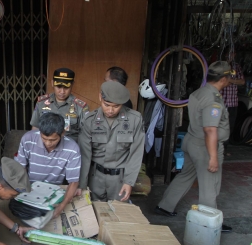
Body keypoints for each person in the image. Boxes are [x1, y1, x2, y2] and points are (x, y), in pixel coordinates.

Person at [156, 62, 232, 231]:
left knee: (185, 176)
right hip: (205, 146)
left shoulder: (199, 92)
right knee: (209, 186)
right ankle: (210, 222)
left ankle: (164, 206)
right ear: (224, 79)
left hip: (191, 141)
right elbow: (210, 129)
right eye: (229, 79)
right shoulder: (213, 99)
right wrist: (212, 157)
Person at [78, 81, 145, 202]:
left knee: (118, 215)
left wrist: (129, 182)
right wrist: (82, 184)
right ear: (100, 97)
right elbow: (84, 156)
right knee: (93, 212)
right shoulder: (89, 121)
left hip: (119, 180)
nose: (110, 110)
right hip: (95, 178)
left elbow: (136, 153)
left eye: (116, 106)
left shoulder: (135, 120)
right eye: (106, 104)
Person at [15, 113, 81, 216]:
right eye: (44, 138)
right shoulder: (28, 139)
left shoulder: (72, 149)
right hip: (30, 188)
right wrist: (23, 190)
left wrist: (61, 206)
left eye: (53, 140)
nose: (48, 143)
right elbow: (20, 167)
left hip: (53, 192)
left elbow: (73, 181)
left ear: (62, 133)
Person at [30, 68, 89, 142]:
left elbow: (85, 134)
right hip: (46, 146)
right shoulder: (42, 102)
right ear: (52, 83)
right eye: (59, 87)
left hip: (70, 149)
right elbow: (35, 128)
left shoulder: (80, 107)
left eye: (66, 87)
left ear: (72, 85)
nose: (62, 91)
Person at [220, 50, 245, 150]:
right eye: (230, 53)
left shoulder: (236, 66)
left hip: (232, 102)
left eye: (234, 53)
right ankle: (217, 148)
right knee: (218, 125)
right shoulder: (220, 65)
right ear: (225, 53)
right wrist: (234, 81)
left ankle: (224, 149)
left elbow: (242, 81)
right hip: (221, 102)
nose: (232, 55)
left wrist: (229, 80)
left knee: (229, 126)